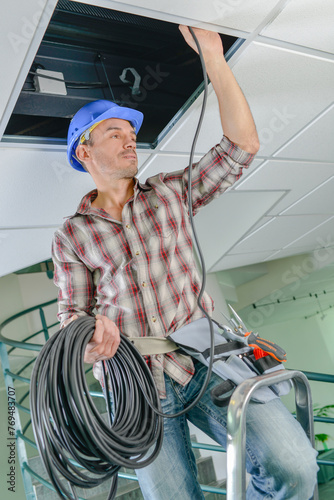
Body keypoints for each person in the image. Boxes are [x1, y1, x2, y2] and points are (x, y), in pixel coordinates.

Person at [52, 25, 318, 499]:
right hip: (136, 389)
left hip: (206, 361)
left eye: (131, 132)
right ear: (84, 151)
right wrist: (90, 341)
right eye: (114, 133)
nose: (130, 139)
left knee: (294, 466)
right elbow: (72, 316)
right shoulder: (73, 234)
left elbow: (242, 148)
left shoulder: (171, 192)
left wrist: (214, 60)